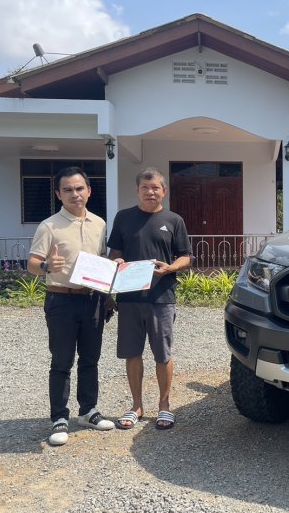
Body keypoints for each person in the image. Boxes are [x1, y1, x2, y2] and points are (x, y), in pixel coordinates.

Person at [28, 166, 115, 446]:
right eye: (68, 189)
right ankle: (59, 418)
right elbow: (31, 264)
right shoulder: (49, 225)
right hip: (61, 300)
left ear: (89, 191)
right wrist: (45, 265)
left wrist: (109, 292)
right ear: (58, 194)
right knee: (62, 361)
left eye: (79, 188)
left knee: (90, 359)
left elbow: (102, 260)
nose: (74, 194)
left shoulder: (99, 223)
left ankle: (87, 411)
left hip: (92, 300)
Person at [107, 167, 192, 430]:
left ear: (163, 191)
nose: (150, 192)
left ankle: (164, 406)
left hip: (161, 297)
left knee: (162, 354)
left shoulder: (174, 220)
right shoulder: (123, 218)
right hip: (130, 297)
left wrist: (170, 268)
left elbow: (186, 256)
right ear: (137, 191)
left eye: (155, 187)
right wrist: (117, 261)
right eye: (145, 187)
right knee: (132, 353)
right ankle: (136, 406)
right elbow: (115, 253)